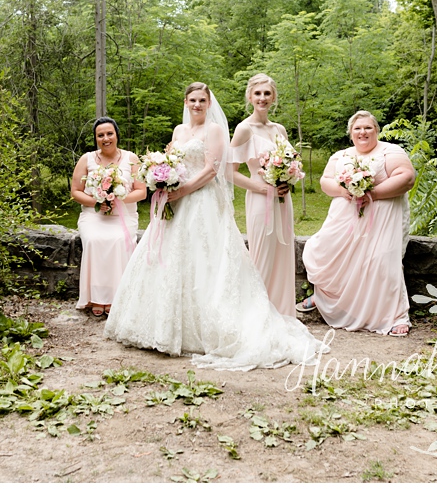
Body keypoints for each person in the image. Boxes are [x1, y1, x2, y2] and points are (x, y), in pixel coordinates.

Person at [104, 82, 326, 371]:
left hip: (202, 201)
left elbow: (212, 170)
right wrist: (162, 177)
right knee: (171, 261)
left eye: (202, 100)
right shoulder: (179, 131)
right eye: (193, 100)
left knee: (205, 262)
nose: (197, 105)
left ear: (209, 103)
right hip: (177, 201)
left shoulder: (215, 130)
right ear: (185, 102)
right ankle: (163, 326)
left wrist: (183, 190)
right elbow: (172, 159)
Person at [299, 111, 415, 336]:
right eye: (357, 128)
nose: (363, 132)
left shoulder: (390, 151)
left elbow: (406, 177)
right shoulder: (341, 155)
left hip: (382, 221)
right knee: (324, 252)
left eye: (368, 128)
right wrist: (348, 191)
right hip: (344, 221)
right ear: (351, 133)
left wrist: (371, 193)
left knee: (381, 262)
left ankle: (395, 316)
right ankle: (324, 298)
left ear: (377, 131)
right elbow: (325, 182)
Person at [225, 74, 298, 316]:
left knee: (282, 253)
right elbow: (229, 172)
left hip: (282, 200)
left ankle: (281, 313)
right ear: (249, 96)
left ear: (274, 97)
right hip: (259, 199)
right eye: (258, 93)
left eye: (267, 93)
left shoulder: (280, 129)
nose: (262, 98)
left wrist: (289, 180)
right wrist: (262, 188)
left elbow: (290, 165)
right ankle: (254, 315)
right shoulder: (244, 129)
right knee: (262, 254)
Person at [69, 117, 144, 317]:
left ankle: (117, 296)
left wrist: (118, 198)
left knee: (120, 240)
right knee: (94, 240)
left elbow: (142, 192)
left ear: (117, 135)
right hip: (94, 215)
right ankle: (94, 297)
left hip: (123, 214)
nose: (106, 138)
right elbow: (76, 191)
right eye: (100, 135)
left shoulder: (131, 158)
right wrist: (97, 202)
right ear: (96, 138)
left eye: (109, 133)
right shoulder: (87, 159)